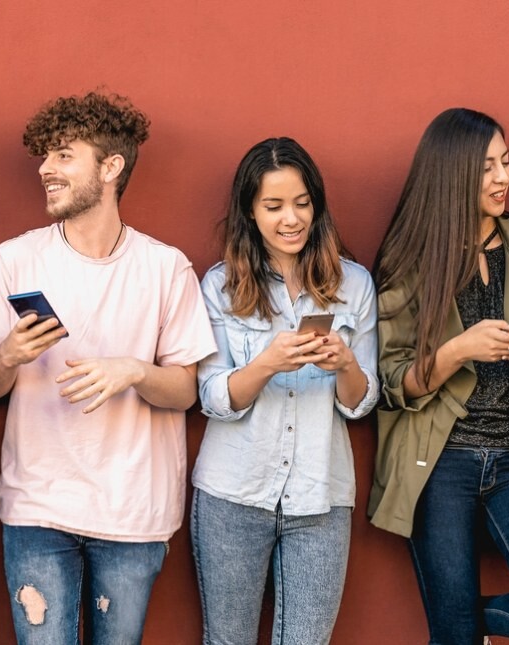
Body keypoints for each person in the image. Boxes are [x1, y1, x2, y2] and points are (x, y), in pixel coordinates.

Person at [0, 92, 216, 645]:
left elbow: (185, 392)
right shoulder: (16, 259)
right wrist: (10, 354)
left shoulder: (165, 267)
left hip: (133, 511)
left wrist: (131, 370)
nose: (45, 169)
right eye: (45, 157)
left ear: (110, 167)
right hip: (39, 506)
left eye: (62, 156)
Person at [369, 107, 509, 645]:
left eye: (506, 163)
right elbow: (395, 383)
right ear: (452, 172)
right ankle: (456, 626)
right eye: (488, 167)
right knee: (454, 634)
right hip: (438, 462)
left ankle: (461, 622)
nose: (504, 177)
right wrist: (458, 349)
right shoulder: (410, 258)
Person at [192, 137, 378, 644]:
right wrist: (267, 363)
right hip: (233, 493)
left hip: (320, 497)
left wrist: (345, 365)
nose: (290, 219)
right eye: (273, 206)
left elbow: (362, 402)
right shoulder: (220, 286)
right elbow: (212, 396)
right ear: (250, 212)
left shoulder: (355, 284)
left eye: (301, 203)